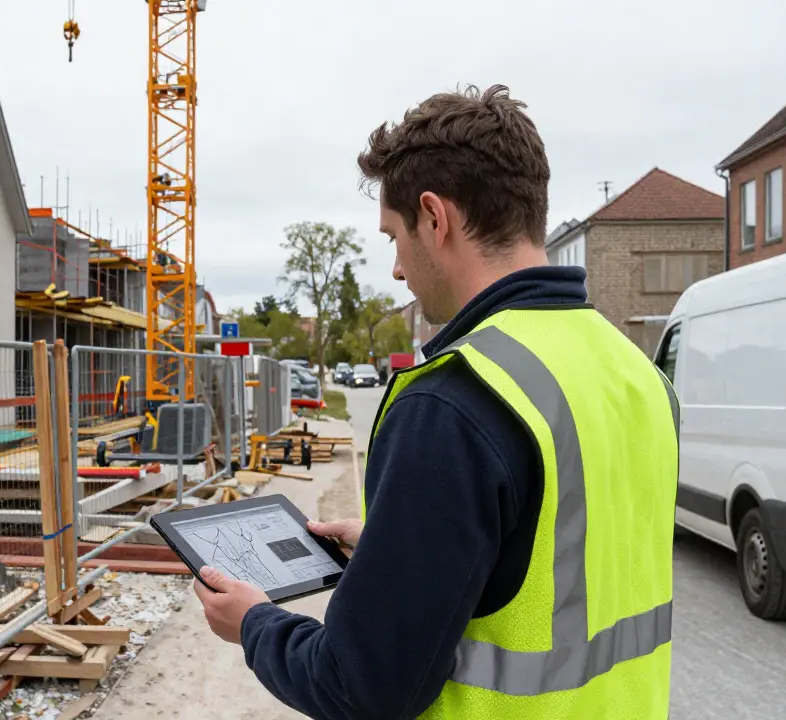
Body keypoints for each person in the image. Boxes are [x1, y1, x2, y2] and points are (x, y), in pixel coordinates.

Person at [193, 85, 680, 719]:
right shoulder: (635, 372)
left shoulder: (456, 400)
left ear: (434, 217)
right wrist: (399, 548)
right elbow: (562, 558)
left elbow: (359, 685)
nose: (397, 269)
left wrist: (255, 624)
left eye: (393, 236)